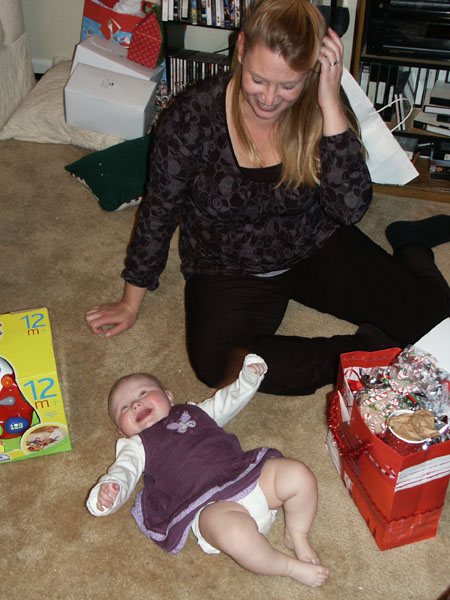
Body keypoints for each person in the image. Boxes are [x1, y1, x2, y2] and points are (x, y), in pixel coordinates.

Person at [85, 0, 450, 396]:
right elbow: (159, 211)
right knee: (223, 365)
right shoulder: (192, 116)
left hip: (313, 246)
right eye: (258, 80)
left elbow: (349, 209)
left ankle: (411, 245)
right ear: (241, 49)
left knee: (438, 325)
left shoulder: (320, 106)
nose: (270, 99)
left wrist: (330, 102)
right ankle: (370, 352)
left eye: (288, 85)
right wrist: (130, 301)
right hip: (226, 266)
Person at [86, 355, 330, 588]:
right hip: (208, 506)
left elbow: (227, 402)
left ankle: (297, 534)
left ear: (169, 396)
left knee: (298, 475)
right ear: (122, 432)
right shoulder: (135, 445)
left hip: (248, 476)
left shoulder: (192, 412)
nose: (136, 404)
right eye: (124, 408)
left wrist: (248, 380)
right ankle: (288, 567)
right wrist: (110, 492)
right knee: (236, 534)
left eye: (143, 393)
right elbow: (124, 472)